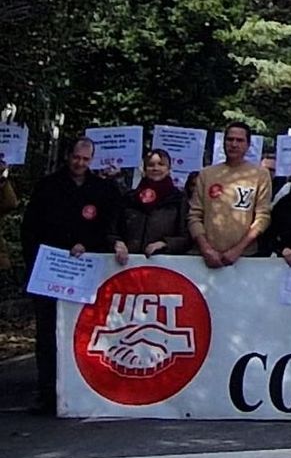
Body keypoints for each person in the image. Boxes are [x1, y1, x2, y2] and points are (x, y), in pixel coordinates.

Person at [20, 137, 120, 415]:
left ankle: (84, 390)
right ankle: (47, 393)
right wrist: (46, 258)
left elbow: (110, 226)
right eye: (77, 158)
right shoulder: (48, 186)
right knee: (49, 332)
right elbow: (30, 230)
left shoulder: (102, 189)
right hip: (51, 268)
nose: (80, 163)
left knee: (86, 332)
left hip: (86, 270)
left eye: (86, 160)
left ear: (93, 160)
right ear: (69, 156)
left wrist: (88, 246)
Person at [189, 122, 273, 268]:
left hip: (245, 258)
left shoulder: (260, 175)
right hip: (206, 257)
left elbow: (262, 217)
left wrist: (238, 250)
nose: (234, 144)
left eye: (239, 140)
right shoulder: (206, 174)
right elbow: (194, 215)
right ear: (224, 142)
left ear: (248, 145)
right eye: (230, 139)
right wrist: (206, 248)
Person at [112, 148, 191, 265]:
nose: (156, 168)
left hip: (163, 265)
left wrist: (165, 244)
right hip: (126, 264)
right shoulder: (129, 198)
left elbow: (187, 237)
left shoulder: (178, 199)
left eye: (161, 164)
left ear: (169, 169)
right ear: (144, 169)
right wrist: (117, 242)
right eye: (151, 165)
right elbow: (112, 229)